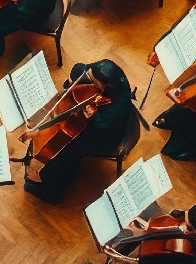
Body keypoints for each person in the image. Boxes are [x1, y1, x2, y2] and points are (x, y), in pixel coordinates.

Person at [24, 60, 135, 203]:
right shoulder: (112, 75)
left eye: (92, 81)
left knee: (66, 149)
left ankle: (50, 191)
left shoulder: (113, 109)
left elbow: (96, 125)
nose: (88, 79)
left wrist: (75, 114)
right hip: (100, 124)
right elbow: (81, 68)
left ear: (102, 85)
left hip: (105, 136)